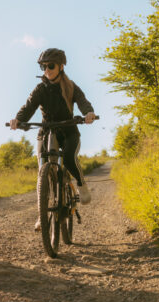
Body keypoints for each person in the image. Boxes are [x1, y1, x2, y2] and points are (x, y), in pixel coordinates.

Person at [9, 48, 96, 230]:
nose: (47, 70)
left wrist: (88, 113)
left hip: (69, 131)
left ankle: (81, 183)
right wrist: (18, 119)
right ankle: (43, 215)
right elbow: (28, 106)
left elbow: (82, 101)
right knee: (43, 171)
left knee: (70, 158)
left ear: (61, 66)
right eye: (43, 67)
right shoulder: (41, 88)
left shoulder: (70, 86)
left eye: (50, 66)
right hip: (47, 131)